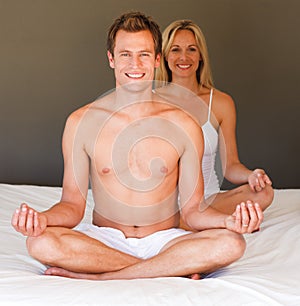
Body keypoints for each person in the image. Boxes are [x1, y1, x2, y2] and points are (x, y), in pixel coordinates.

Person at [11, 12, 263, 281]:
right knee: (39, 242)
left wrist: (228, 222)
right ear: (111, 59)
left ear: (156, 60)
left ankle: (105, 275)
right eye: (125, 54)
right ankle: (165, 269)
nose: (135, 64)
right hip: (105, 238)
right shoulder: (80, 123)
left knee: (232, 243)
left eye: (144, 54)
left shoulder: (184, 125)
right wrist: (41, 218)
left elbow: (192, 211)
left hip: (164, 239)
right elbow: (72, 206)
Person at [155, 19, 273, 218]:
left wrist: (252, 175)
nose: (184, 57)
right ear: (165, 55)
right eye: (175, 49)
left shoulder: (220, 102)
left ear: (201, 55)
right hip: (164, 203)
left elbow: (231, 167)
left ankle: (187, 222)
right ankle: (188, 221)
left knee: (265, 193)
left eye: (191, 49)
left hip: (207, 200)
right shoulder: (150, 101)